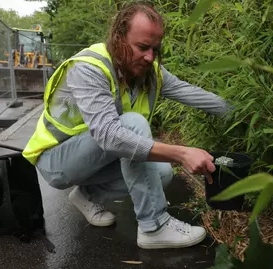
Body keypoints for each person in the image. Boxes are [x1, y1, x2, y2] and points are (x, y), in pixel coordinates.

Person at [22, 2, 231, 249]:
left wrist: (242, 113)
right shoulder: (90, 68)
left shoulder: (150, 73)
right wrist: (181, 153)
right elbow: (111, 136)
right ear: (118, 37)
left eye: (155, 48)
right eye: (142, 47)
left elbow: (192, 93)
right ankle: (154, 226)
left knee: (161, 173)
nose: (150, 57)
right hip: (57, 160)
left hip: (94, 159)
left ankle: (88, 195)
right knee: (132, 125)